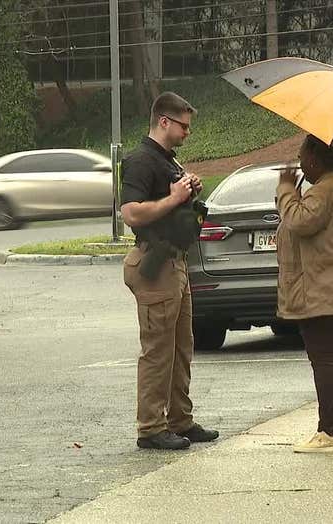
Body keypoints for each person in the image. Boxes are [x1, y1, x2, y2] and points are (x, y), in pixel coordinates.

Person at [119, 92, 220, 450]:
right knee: (158, 350)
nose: (187, 133)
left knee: (181, 347)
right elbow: (131, 213)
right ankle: (150, 427)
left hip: (176, 261)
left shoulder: (167, 160)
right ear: (164, 121)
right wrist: (175, 198)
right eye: (183, 126)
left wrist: (189, 192)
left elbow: (173, 205)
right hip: (154, 263)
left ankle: (180, 420)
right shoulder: (139, 161)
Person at [275, 134, 333, 453]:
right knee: (331, 358)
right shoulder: (329, 189)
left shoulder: (327, 188)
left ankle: (330, 433)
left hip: (326, 288)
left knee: (324, 359)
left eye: (302, 155)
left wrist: (286, 190)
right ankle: (331, 429)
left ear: (314, 158)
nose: (299, 162)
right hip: (332, 286)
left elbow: (300, 222)